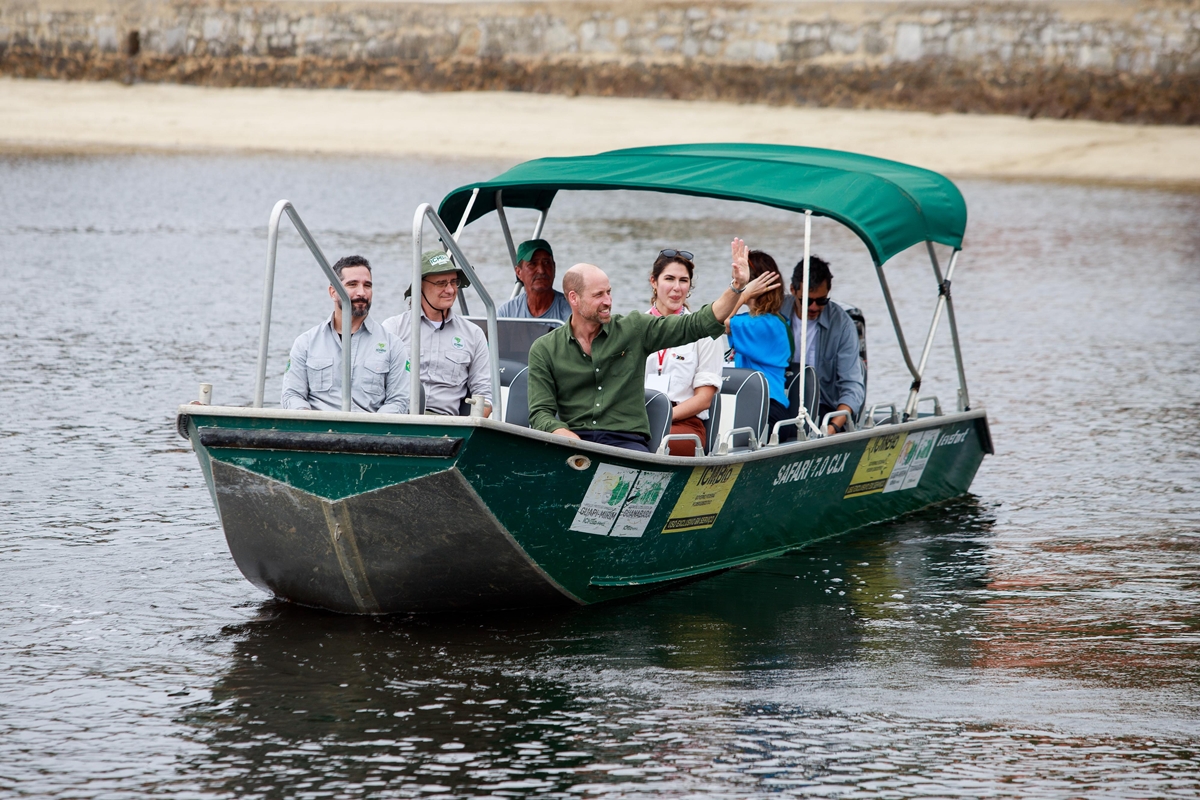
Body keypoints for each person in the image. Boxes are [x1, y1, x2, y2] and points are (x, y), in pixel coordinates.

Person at [526, 239, 779, 452]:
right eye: (598, 295)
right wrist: (566, 436)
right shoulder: (544, 349)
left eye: (610, 292)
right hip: (574, 443)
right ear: (573, 298)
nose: (608, 301)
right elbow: (540, 414)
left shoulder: (634, 328)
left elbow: (700, 324)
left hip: (626, 443)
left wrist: (737, 288)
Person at [281, 255, 409, 413]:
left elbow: (399, 400)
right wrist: (307, 420)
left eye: (367, 285)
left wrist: (372, 429)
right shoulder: (305, 343)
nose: (361, 292)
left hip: (370, 433)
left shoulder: (393, 345)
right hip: (317, 432)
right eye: (352, 284)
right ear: (333, 292)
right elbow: (292, 395)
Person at [382, 250, 492, 417]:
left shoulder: (474, 334)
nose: (450, 290)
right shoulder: (393, 328)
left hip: (447, 429)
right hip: (400, 420)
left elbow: (486, 394)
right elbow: (375, 384)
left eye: (454, 282)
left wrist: (468, 431)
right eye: (441, 283)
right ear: (419, 286)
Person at [643, 249, 726, 456]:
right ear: (654, 282)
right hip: (639, 416)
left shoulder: (706, 334)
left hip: (685, 424)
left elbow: (704, 399)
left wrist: (661, 416)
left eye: (683, 281)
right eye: (669, 279)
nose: (676, 288)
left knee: (649, 442)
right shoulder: (636, 326)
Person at [780, 256, 865, 435]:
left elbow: (853, 387)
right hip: (783, 402)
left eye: (821, 301)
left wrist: (831, 428)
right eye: (806, 300)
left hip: (825, 408)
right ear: (792, 290)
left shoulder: (843, 325)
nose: (813, 307)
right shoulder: (775, 312)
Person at [725, 246, 793, 438]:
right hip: (757, 404)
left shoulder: (764, 325)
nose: (737, 282)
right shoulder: (766, 321)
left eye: (745, 278)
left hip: (767, 409)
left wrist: (741, 291)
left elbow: (718, 321)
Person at [497, 239, 573, 321]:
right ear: (518, 272)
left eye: (546, 263)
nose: (541, 270)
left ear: (554, 267)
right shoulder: (506, 314)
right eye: (532, 264)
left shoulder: (572, 312)